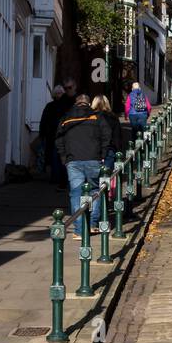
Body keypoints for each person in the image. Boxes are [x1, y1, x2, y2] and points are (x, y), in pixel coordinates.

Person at [56, 93, 118, 238]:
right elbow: (107, 135)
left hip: (73, 161)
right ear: (88, 104)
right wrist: (102, 154)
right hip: (93, 159)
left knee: (76, 193)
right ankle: (92, 224)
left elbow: (58, 139)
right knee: (95, 190)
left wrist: (64, 157)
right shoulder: (97, 117)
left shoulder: (66, 118)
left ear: (76, 103)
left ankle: (79, 230)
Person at [39, 84, 72, 184]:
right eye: (58, 93)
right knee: (63, 157)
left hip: (53, 135)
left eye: (59, 93)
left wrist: (42, 134)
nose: (59, 95)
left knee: (54, 157)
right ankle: (63, 178)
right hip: (63, 134)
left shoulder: (50, 106)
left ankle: (55, 177)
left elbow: (43, 121)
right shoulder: (67, 106)